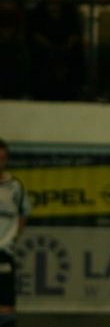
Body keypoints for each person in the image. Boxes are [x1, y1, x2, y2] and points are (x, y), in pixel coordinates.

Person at [0, 138, 31, 327]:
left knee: (6, 309)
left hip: (4, 252)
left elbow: (24, 213)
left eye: (2, 158)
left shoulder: (15, 187)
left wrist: (12, 238)